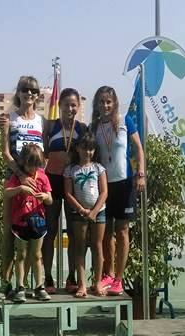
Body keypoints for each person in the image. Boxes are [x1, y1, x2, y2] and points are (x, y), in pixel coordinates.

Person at [90, 86, 145, 296]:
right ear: (97, 104)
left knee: (122, 231)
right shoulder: (93, 126)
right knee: (105, 234)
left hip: (124, 183)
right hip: (104, 185)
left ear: (114, 104)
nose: (105, 106)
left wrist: (140, 173)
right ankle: (109, 274)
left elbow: (138, 148)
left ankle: (119, 280)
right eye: (102, 102)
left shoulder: (125, 122)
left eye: (109, 102)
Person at [0, 76, 45, 300]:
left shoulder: (41, 121)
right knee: (9, 233)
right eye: (25, 90)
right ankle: (5, 283)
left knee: (36, 231)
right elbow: (6, 153)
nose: (29, 94)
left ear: (37, 95)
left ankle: (39, 284)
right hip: (15, 179)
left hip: (36, 182)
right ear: (19, 92)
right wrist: (21, 177)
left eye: (33, 90)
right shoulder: (9, 118)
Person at [42, 88, 88, 294]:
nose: (70, 108)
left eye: (73, 105)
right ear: (59, 106)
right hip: (52, 182)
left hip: (74, 184)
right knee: (50, 232)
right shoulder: (51, 126)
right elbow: (42, 153)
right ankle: (49, 278)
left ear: (78, 107)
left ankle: (72, 277)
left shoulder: (83, 129)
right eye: (66, 104)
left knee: (74, 233)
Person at [4, 144, 53, 302]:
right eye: (30, 165)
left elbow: (50, 200)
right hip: (20, 222)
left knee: (37, 255)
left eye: (37, 165)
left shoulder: (43, 177)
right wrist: (20, 189)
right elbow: (6, 193)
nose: (33, 169)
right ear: (23, 162)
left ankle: (39, 286)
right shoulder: (17, 178)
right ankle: (20, 287)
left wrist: (45, 197)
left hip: (38, 221)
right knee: (21, 255)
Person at [64, 133, 108, 297]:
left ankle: (97, 283)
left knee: (97, 247)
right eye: (84, 148)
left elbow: (104, 192)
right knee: (80, 248)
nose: (87, 152)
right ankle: (82, 285)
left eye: (91, 149)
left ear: (94, 150)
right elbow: (68, 193)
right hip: (78, 213)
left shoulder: (98, 168)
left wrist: (94, 211)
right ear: (77, 148)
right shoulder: (70, 170)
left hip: (99, 213)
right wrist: (82, 210)